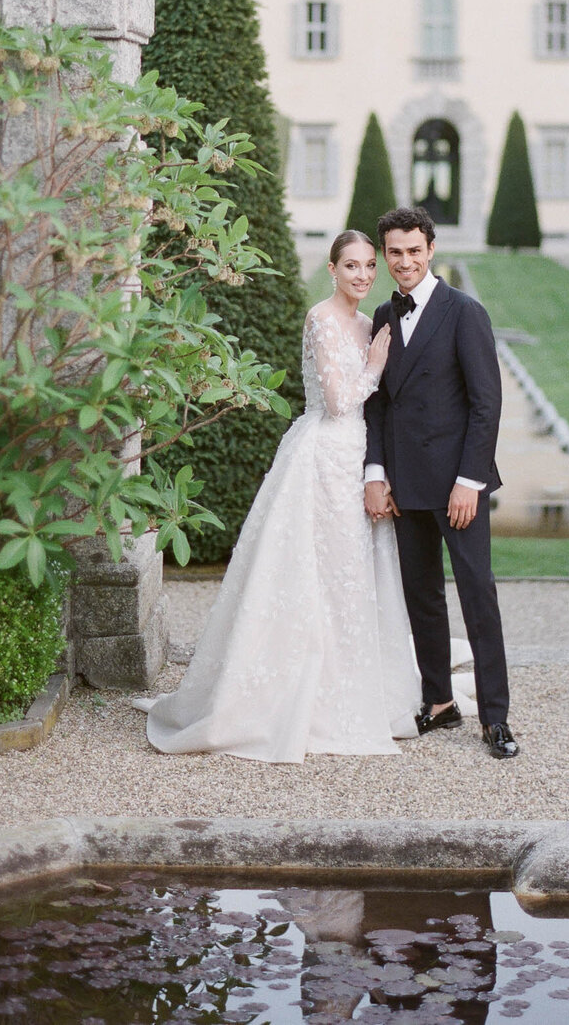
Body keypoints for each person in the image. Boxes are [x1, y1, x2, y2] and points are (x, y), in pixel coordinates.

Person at [135, 230, 421, 762]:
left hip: (357, 458)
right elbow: (338, 402)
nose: (362, 275)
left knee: (354, 575)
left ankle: (359, 690)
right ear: (332, 269)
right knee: (313, 572)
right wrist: (377, 364)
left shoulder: (368, 323)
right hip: (322, 457)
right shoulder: (322, 318)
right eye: (351, 266)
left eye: (368, 267)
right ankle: (288, 698)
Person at [364, 206, 518, 759]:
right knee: (421, 595)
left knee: (479, 594)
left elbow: (486, 404)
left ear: (430, 250)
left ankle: (495, 718)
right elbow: (378, 403)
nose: (404, 262)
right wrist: (376, 474)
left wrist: (469, 481)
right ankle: (439, 701)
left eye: (413, 250)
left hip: (459, 486)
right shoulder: (383, 314)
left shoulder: (464, 312)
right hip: (405, 483)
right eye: (394, 253)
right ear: (385, 256)